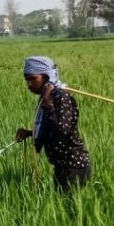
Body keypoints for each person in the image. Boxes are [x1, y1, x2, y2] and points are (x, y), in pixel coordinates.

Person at [14, 56, 92, 191]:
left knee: (71, 208)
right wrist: (30, 133)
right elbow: (51, 129)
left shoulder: (61, 97)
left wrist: (48, 103)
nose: (29, 84)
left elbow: (63, 132)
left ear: (47, 77)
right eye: (27, 80)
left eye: (33, 78)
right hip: (62, 166)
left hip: (73, 166)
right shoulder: (49, 97)